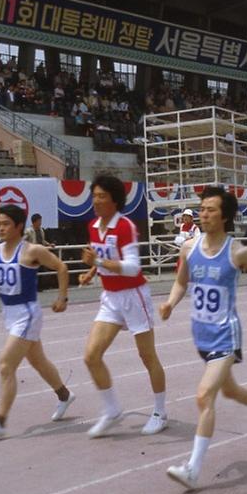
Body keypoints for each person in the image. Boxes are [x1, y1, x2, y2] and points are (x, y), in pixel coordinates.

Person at [161, 186, 247, 490]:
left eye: (210, 209)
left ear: (225, 215)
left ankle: (192, 469)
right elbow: (180, 283)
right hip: (200, 335)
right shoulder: (189, 247)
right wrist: (169, 303)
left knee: (204, 396)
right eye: (201, 208)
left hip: (226, 336)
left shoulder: (237, 252)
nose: (203, 214)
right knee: (230, 391)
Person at [0, 205, 75, 437]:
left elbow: (61, 267)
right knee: (38, 361)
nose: (1, 227)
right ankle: (65, 395)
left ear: (19, 226)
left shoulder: (32, 251)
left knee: (6, 365)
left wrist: (62, 297)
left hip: (27, 313)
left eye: (6, 223)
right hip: (8, 313)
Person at [79, 175, 168, 438]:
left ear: (115, 200)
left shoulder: (125, 226)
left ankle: (160, 412)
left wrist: (99, 262)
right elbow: (103, 258)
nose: (96, 201)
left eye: (102, 196)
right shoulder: (94, 226)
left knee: (147, 356)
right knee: (91, 356)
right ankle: (111, 409)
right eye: (94, 195)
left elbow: (132, 267)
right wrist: (92, 272)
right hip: (110, 297)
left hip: (134, 295)